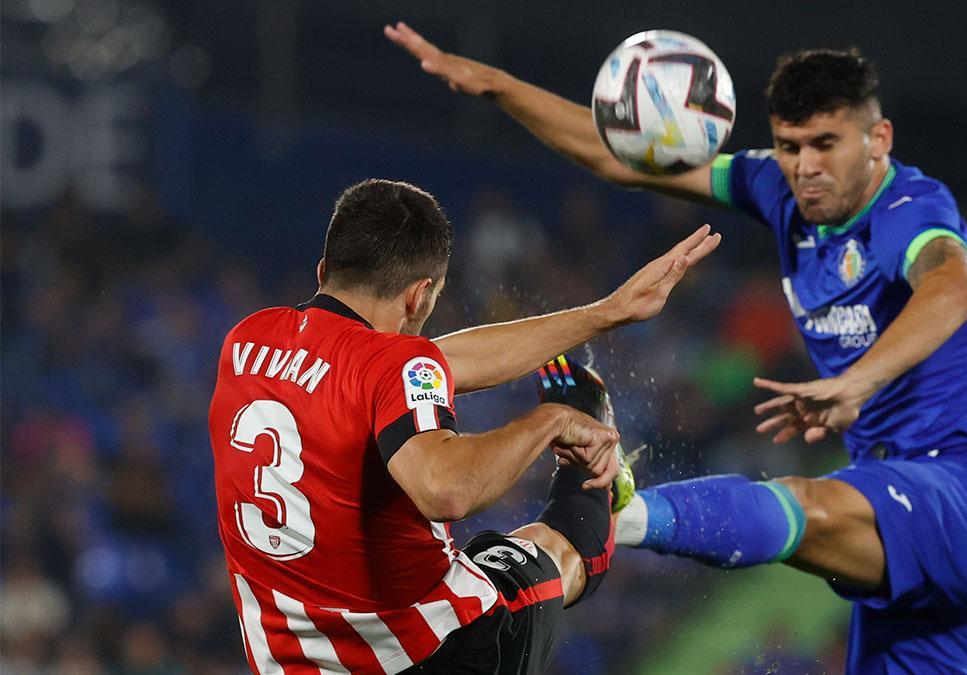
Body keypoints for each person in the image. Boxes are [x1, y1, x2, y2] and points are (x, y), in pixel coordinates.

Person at [388, 23, 967, 673]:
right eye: (790, 145)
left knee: (805, 503)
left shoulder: (913, 210)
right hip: (900, 537)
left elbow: (953, 291)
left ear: (878, 139)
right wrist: (498, 85)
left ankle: (622, 517)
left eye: (826, 144)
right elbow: (620, 157)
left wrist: (858, 381)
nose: (805, 165)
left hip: (965, 496)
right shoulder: (777, 188)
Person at [207, 178, 719, 673]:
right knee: (560, 552)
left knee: (476, 556)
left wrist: (605, 313)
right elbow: (446, 489)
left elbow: (422, 363)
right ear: (419, 295)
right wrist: (551, 421)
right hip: (433, 654)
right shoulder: (393, 364)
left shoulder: (246, 342)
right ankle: (599, 474)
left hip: (293, 662)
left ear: (325, 271)